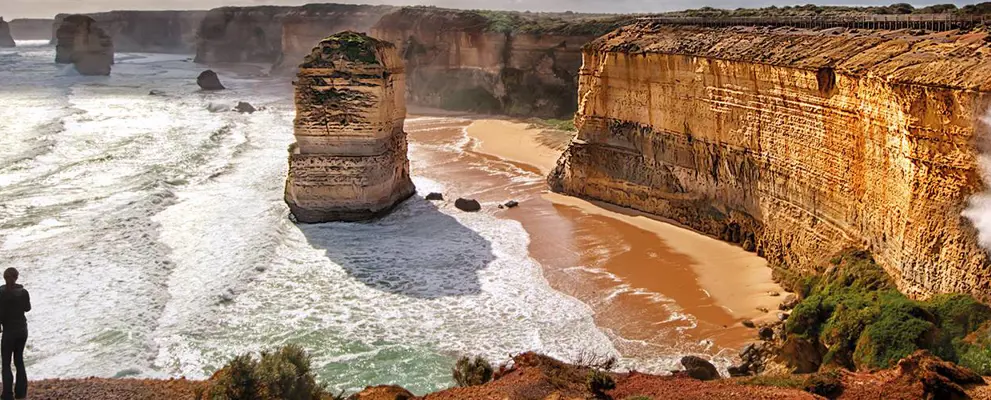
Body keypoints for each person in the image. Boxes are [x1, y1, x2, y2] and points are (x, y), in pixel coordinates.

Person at [0, 268, 30, 400]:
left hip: (8, 331)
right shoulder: (23, 292)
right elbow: (27, 308)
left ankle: (7, 395)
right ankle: (21, 393)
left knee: (6, 363)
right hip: (22, 330)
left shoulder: (1, 293)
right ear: (16, 277)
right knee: (19, 360)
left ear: (4, 278)